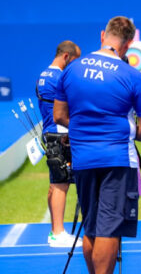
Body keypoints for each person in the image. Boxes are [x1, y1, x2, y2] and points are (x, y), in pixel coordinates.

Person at [53, 16, 141, 273]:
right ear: (129, 43)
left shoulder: (71, 70)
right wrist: (127, 132)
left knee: (91, 226)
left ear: (103, 35)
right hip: (117, 159)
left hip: (82, 158)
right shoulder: (132, 75)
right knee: (109, 227)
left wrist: (84, 130)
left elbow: (60, 116)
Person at [36, 40, 82, 247]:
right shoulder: (60, 77)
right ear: (66, 56)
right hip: (61, 134)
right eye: (74, 61)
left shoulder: (44, 75)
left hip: (50, 132)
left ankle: (55, 230)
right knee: (61, 184)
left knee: (55, 183)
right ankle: (58, 233)